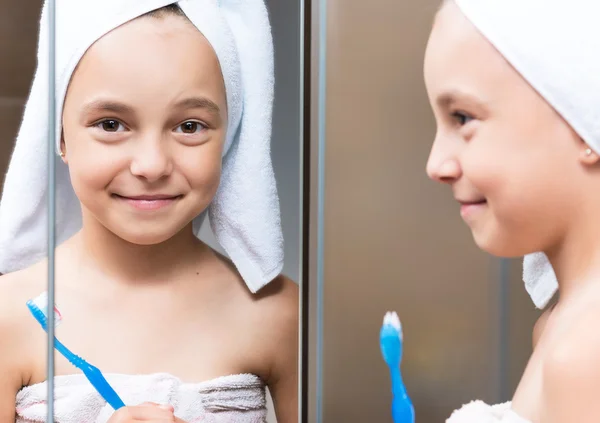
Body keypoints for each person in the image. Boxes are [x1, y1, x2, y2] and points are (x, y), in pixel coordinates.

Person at [0, 2, 298, 422]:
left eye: (189, 126)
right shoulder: (8, 316)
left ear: (229, 137)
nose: (152, 164)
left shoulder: (279, 314)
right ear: (60, 136)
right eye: (110, 124)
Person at [425, 0, 600, 421]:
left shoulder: (584, 353)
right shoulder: (560, 327)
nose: (435, 165)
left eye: (462, 117)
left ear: (584, 119)